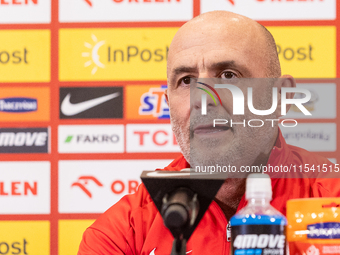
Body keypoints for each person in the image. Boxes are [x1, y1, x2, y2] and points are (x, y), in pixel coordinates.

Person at [78, 11, 339, 255]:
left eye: (227, 75)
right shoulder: (123, 232)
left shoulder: (332, 200)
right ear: (168, 102)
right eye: (187, 81)